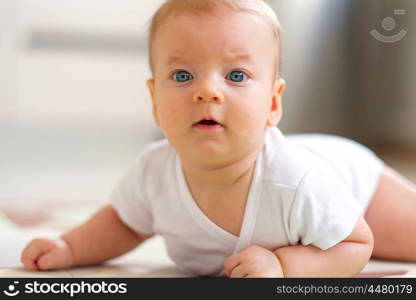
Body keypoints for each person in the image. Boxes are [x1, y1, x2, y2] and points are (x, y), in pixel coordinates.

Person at [20, 0, 416, 278]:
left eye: (236, 76)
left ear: (273, 104)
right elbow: (124, 222)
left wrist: (285, 268)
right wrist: (70, 248)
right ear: (154, 100)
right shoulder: (153, 171)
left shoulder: (298, 180)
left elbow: (355, 243)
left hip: (358, 186)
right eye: (182, 76)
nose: (207, 92)